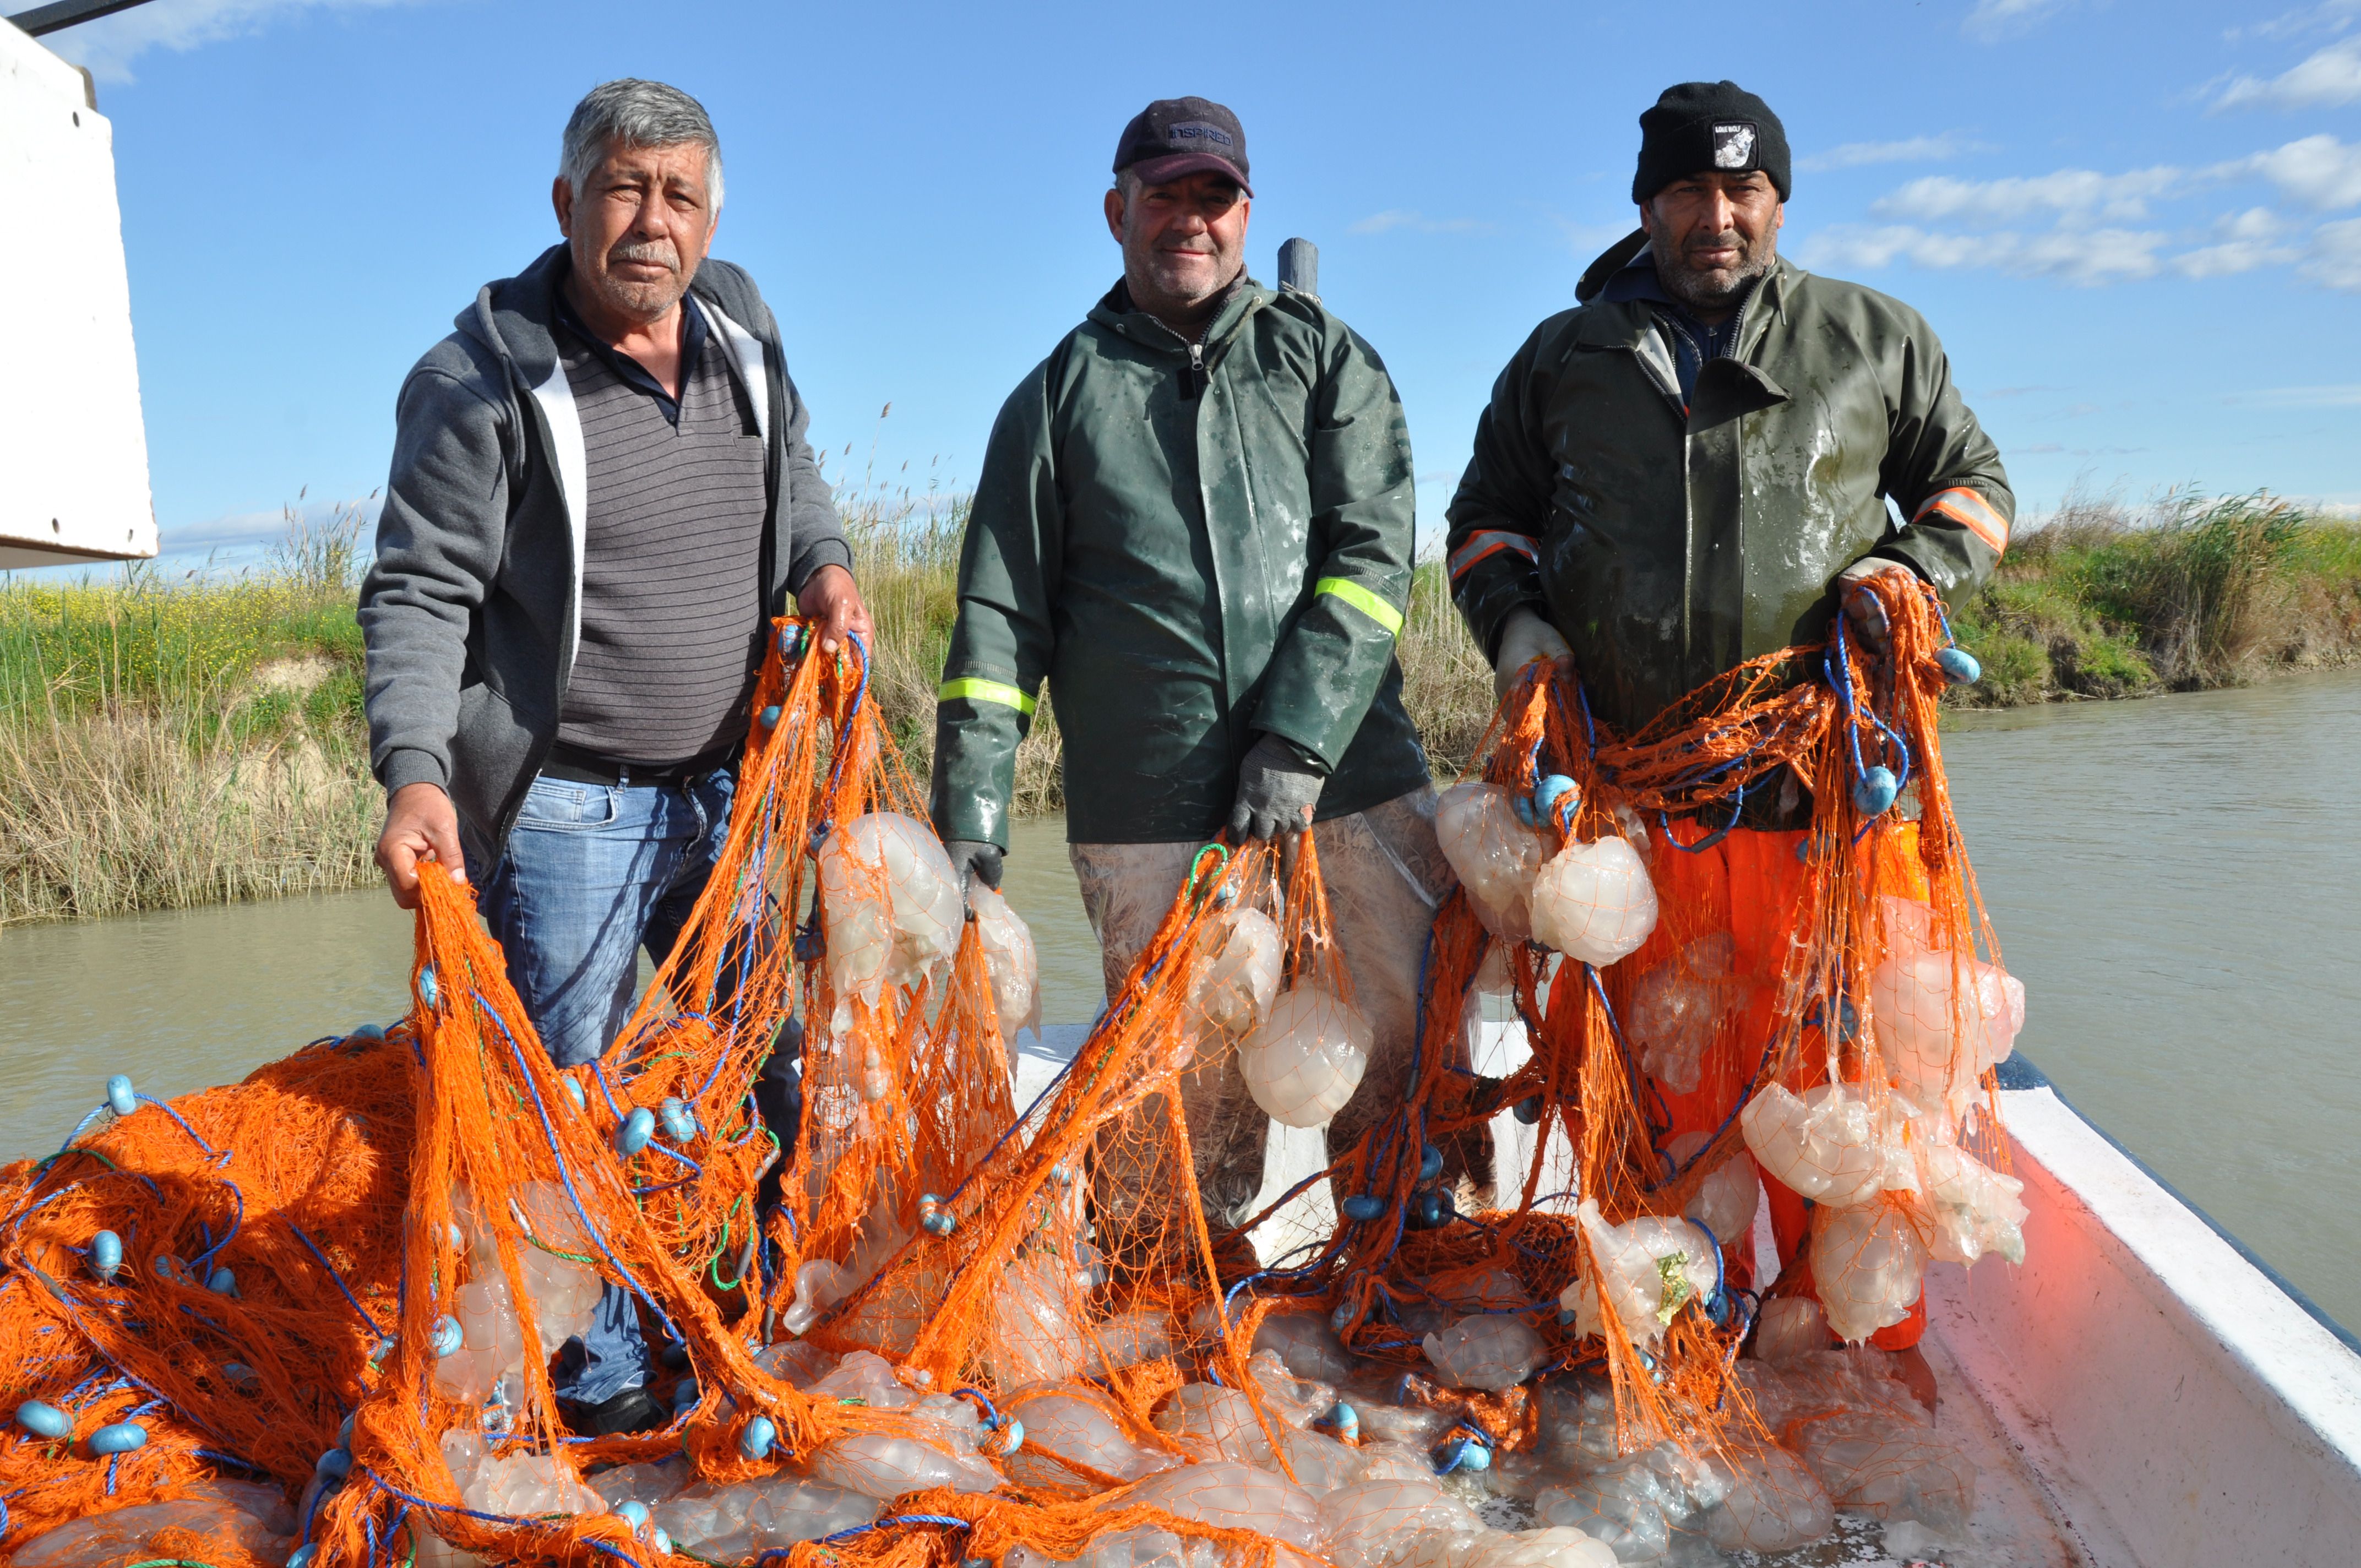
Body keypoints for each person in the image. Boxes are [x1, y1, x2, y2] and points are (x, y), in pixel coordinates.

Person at [1441, 81, 2012, 1409]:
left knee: (1847, 1099)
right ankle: (1683, 1353)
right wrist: (1518, 627)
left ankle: (1854, 1365)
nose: (1715, 216)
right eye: (1687, 192)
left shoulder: (1874, 337)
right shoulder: (1560, 358)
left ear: (1777, 200)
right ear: (1645, 204)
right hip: (1645, 822)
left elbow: (1976, 487)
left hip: (1831, 811)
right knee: (1662, 1097)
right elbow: (1483, 524)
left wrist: (1909, 569)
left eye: (1740, 190)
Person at [358, 79, 870, 1430]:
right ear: (566, 201)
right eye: (626, 189)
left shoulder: (742, 324)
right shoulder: (477, 381)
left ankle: (751, 1321)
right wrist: (416, 766)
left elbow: (796, 473)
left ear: (712, 216)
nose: (654, 223)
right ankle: (594, 1383)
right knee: (568, 1112)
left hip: (727, 793)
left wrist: (822, 567)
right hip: (565, 811)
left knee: (764, 1068)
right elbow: (416, 593)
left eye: (680, 195)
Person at [930, 97, 1467, 1262]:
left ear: (1246, 213)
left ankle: (1410, 1280)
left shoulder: (1324, 360)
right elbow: (995, 618)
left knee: (1395, 1050)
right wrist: (968, 822)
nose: (1189, 219)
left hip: (1355, 786)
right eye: (1163, 195)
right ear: (1116, 209)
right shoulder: (1054, 397)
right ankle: (1168, 1308)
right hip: (1148, 809)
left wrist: (1300, 738)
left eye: (1211, 198)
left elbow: (1374, 558)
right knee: (1174, 1103)